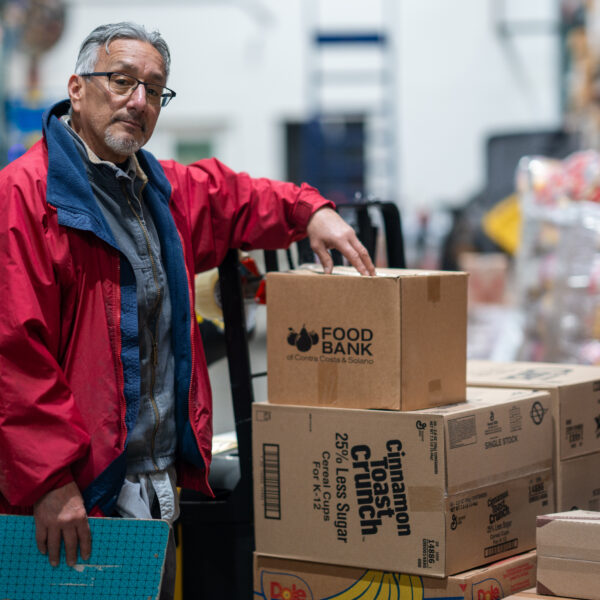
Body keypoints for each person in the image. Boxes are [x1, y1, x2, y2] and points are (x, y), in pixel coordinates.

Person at [0, 21, 375, 599]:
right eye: (122, 81)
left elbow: (234, 195)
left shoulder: (158, 190)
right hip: (76, 502)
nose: (138, 101)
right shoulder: (24, 199)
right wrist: (51, 483)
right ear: (76, 88)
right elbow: (13, 356)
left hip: (154, 492)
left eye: (154, 90)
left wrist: (311, 211)